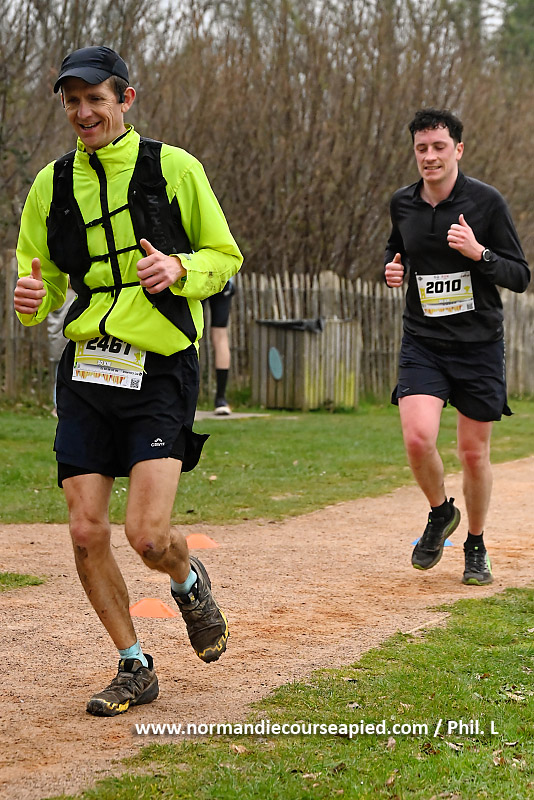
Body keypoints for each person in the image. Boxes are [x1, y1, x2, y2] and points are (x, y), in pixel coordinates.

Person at [13, 46, 243, 716]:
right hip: (87, 367)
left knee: (147, 535)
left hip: (159, 368)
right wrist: (29, 300)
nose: (83, 113)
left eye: (96, 99)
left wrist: (179, 269)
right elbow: (38, 278)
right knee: (86, 531)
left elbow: (225, 255)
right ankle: (134, 663)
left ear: (126, 100)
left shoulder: (175, 168)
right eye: (73, 102)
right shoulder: (51, 185)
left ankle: (187, 579)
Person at [384, 107, 529, 587]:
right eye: (422, 148)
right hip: (423, 341)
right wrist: (392, 268)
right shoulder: (402, 203)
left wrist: (478, 253)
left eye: (439, 147)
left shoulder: (486, 202)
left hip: (478, 345)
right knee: (417, 437)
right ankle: (441, 512)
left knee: (472, 453)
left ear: (458, 150)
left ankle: (476, 544)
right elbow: (395, 248)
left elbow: (520, 275)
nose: (430, 156)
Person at [204, 277, 235, 415]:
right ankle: (221, 400)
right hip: (221, 277)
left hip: (200, 277)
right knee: (220, 335)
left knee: (189, 334)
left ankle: (221, 398)